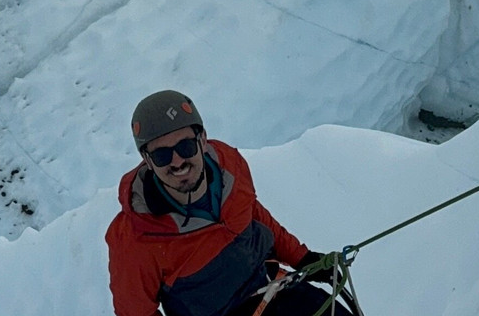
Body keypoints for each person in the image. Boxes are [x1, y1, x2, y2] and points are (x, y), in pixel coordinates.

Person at [106, 90, 351, 316]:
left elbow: (253, 215)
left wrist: (302, 258)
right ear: (147, 160)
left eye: (186, 146)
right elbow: (135, 312)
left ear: (202, 140)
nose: (177, 161)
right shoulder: (135, 238)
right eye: (162, 155)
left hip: (273, 287)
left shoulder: (230, 171)